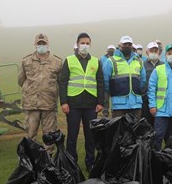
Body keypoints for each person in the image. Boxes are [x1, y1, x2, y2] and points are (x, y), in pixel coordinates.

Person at [59, 32, 105, 170]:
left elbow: (100, 82)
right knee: (72, 136)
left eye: (87, 43)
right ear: (77, 44)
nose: (85, 45)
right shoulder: (69, 60)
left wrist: (100, 102)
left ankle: (90, 163)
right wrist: (64, 102)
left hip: (91, 105)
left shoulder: (96, 61)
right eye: (82, 43)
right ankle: (71, 163)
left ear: (90, 45)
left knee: (90, 136)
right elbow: (63, 82)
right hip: (73, 104)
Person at [18, 34, 63, 153]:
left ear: (47, 44)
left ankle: (48, 164)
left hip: (49, 105)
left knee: (49, 138)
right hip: (31, 105)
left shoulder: (57, 62)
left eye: (43, 43)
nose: (41, 46)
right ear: (35, 44)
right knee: (30, 136)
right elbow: (21, 80)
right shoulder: (26, 61)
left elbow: (61, 82)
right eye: (39, 43)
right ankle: (30, 163)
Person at [103, 35, 146, 118]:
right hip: (118, 105)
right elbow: (106, 83)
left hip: (136, 105)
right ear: (119, 46)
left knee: (135, 130)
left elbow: (143, 81)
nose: (127, 46)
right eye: (125, 44)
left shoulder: (139, 61)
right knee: (119, 130)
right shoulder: (111, 61)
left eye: (129, 44)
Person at [143, 41, 164, 126]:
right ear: (147, 52)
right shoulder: (142, 65)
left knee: (159, 126)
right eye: (151, 51)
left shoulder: (164, 65)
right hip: (146, 100)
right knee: (147, 125)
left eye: (156, 51)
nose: (154, 53)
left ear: (159, 52)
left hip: (160, 101)